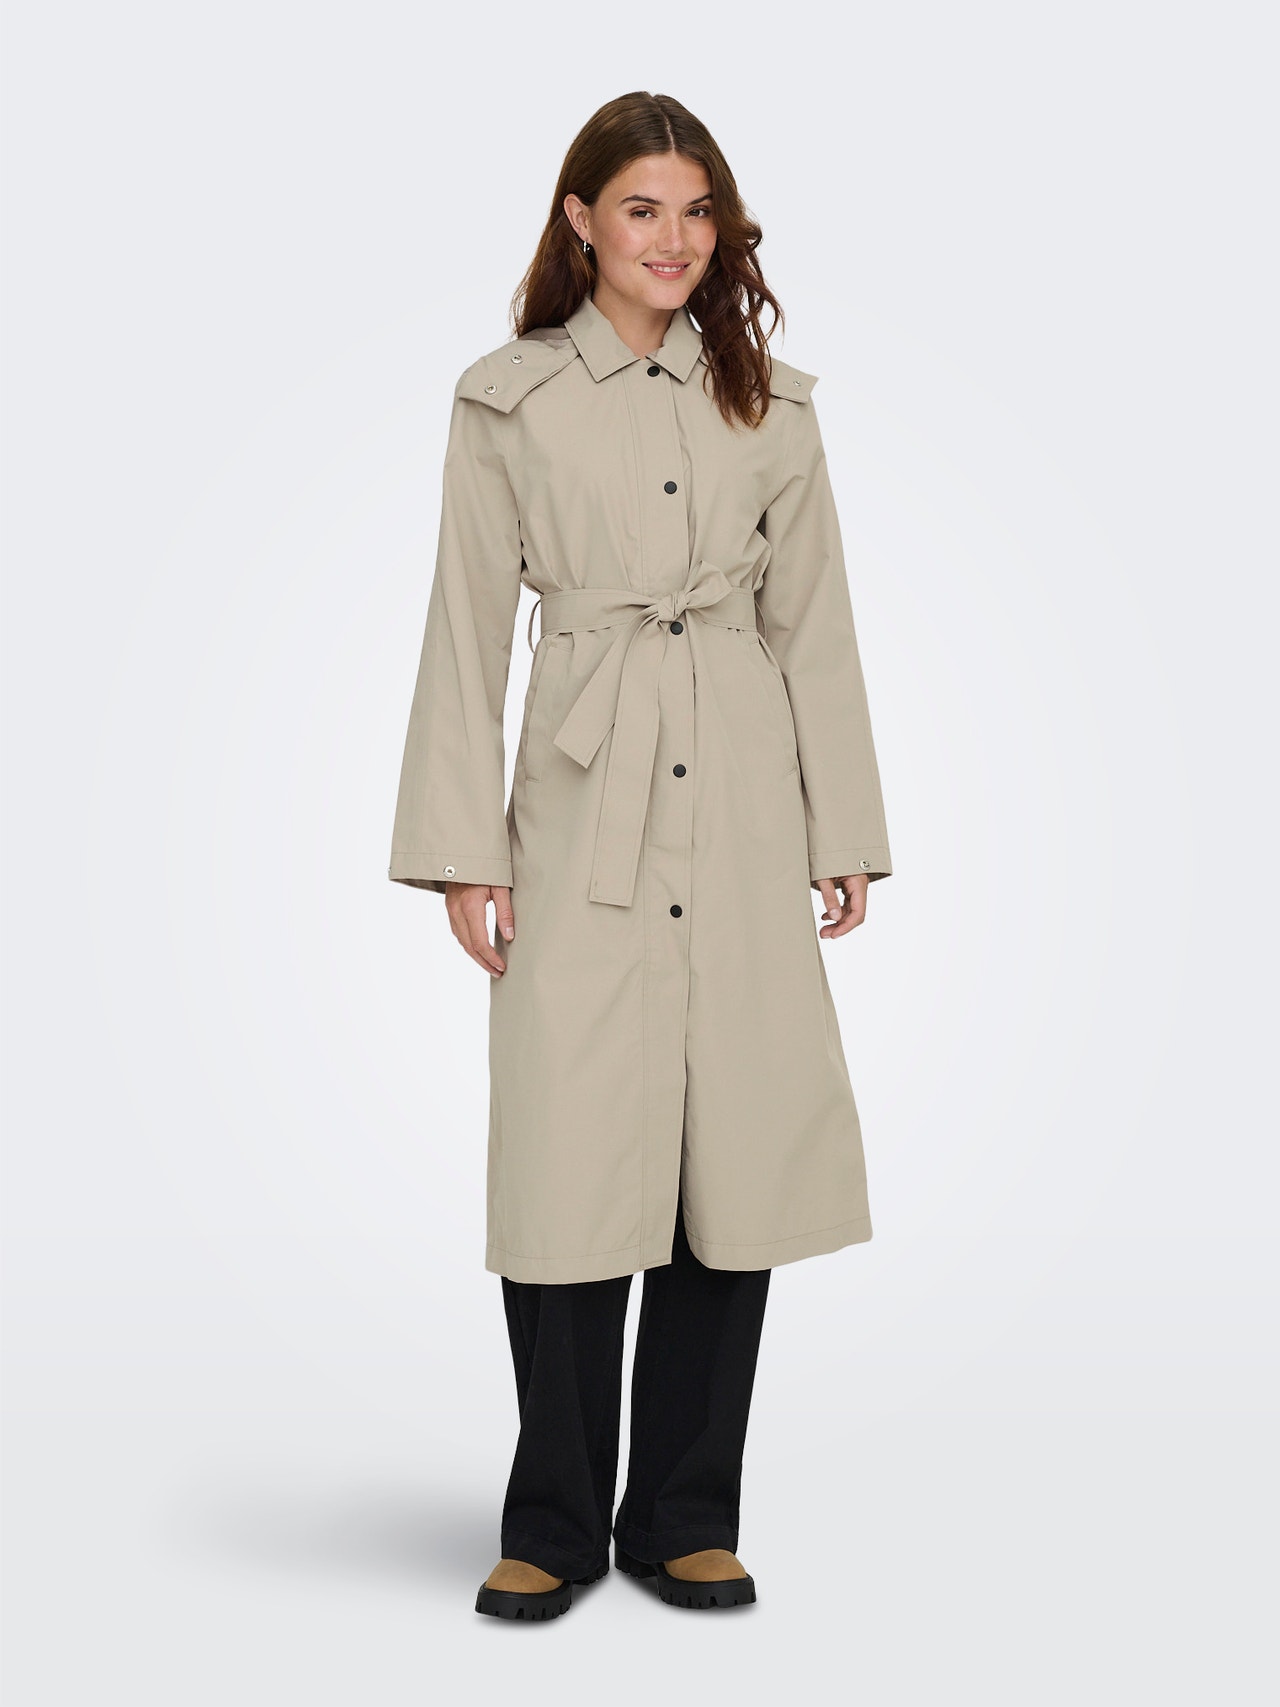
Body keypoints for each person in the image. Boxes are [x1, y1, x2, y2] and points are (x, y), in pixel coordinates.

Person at [387, 90, 894, 1621]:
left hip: (740, 801)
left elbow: (816, 627)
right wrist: (465, 851)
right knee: (569, 1153)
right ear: (582, 221)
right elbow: (466, 631)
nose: (674, 240)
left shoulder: (772, 405)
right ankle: (551, 1520)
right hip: (581, 799)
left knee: (730, 1158)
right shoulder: (509, 403)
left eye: (697, 211)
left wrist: (843, 829)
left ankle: (683, 1514)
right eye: (642, 209)